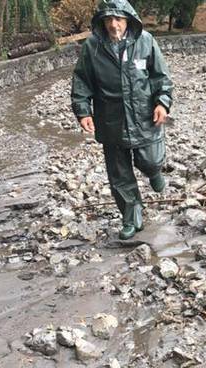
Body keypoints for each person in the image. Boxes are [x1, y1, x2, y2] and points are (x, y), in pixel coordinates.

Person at [71, 0, 174, 240]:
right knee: (119, 173)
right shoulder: (92, 47)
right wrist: (83, 111)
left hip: (144, 115)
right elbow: (82, 81)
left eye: (118, 19)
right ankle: (131, 215)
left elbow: (161, 77)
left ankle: (154, 171)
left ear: (128, 19)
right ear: (102, 21)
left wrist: (162, 102)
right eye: (108, 19)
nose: (113, 25)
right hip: (110, 119)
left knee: (150, 159)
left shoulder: (145, 40)